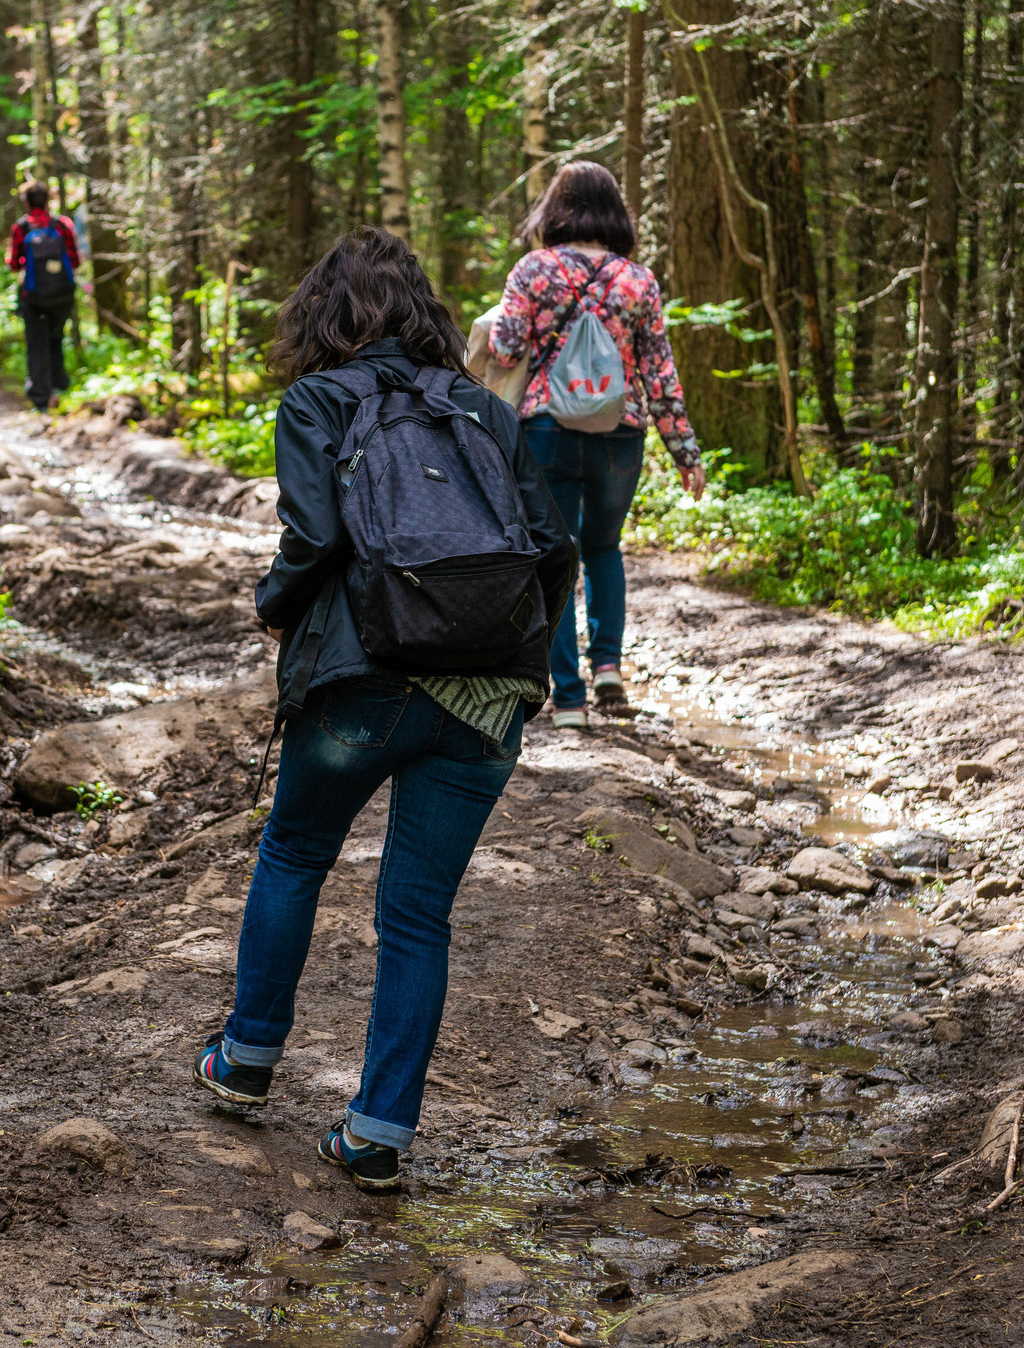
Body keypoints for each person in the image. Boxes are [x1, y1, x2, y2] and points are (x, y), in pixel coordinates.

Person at [192, 228, 577, 1192]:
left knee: (293, 852)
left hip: (360, 680)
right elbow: (553, 548)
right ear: (425, 313)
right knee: (417, 915)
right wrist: (514, 655)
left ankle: (245, 1060)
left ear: (326, 314)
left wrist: (274, 606)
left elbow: (313, 536)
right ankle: (377, 1133)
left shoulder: (316, 400)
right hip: (485, 698)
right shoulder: (485, 412)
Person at [487, 161, 707, 728]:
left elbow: (507, 351)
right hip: (620, 432)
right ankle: (607, 666)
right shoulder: (639, 280)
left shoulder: (533, 270)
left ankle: (568, 698)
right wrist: (685, 452)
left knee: (557, 558)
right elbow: (660, 373)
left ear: (555, 209)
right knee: (604, 548)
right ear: (613, 212)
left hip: (546, 430)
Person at [5, 183, 78, 411]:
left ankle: (41, 399)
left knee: (37, 343)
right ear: (48, 200)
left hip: (33, 296)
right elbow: (75, 260)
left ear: (26, 202)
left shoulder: (21, 227)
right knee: (56, 338)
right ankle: (59, 388)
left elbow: (15, 265)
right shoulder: (62, 225)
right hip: (62, 295)